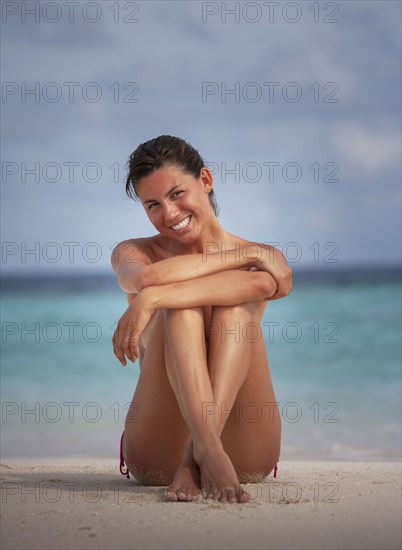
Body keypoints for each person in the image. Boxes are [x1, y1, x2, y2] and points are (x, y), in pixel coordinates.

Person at [111, 135, 292, 503]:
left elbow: (265, 283)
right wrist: (254, 253)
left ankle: (199, 458)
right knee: (183, 306)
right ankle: (206, 450)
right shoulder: (135, 252)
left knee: (234, 306)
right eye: (153, 205)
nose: (170, 214)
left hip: (245, 453)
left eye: (177, 194)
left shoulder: (253, 259)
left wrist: (156, 298)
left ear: (205, 181)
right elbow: (144, 279)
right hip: (158, 454)